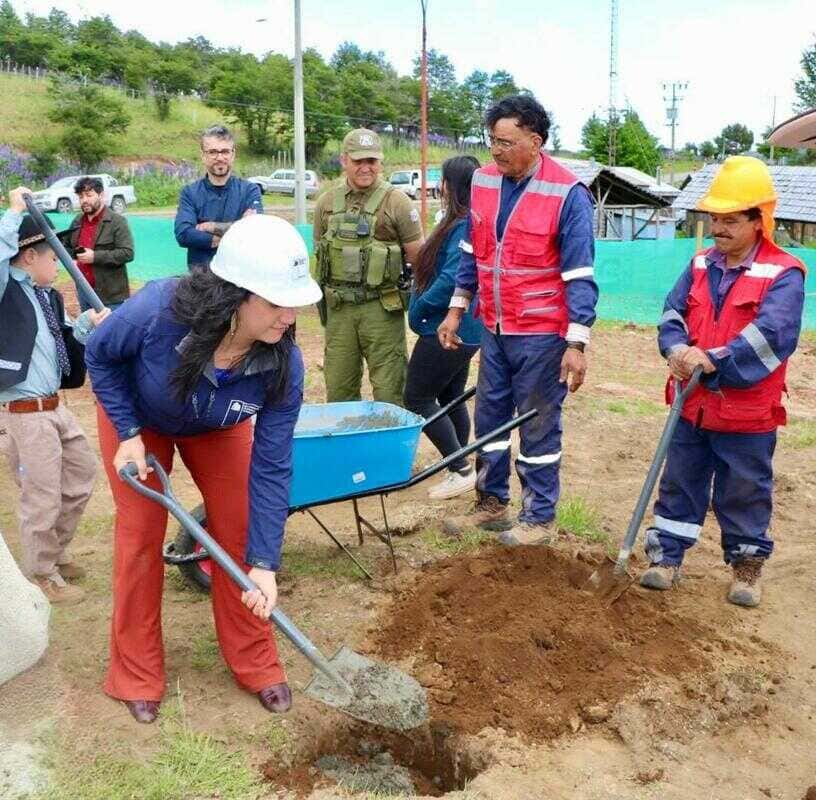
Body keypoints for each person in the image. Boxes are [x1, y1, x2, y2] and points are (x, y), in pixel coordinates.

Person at [84, 214, 322, 724]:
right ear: (238, 294)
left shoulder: (283, 364)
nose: (291, 314)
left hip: (217, 424)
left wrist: (264, 562)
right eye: (279, 301)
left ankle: (256, 662)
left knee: (238, 533)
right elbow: (100, 356)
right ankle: (135, 673)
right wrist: (126, 433)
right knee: (140, 538)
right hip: (139, 419)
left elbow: (273, 466)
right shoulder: (159, 309)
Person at [639, 156, 806, 608]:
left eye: (730, 219)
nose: (719, 228)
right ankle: (666, 558)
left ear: (759, 220)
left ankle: (747, 566)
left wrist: (713, 358)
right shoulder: (698, 265)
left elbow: (772, 336)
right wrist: (676, 351)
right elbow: (671, 314)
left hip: (747, 411)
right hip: (691, 403)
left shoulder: (784, 273)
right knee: (680, 482)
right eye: (714, 218)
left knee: (744, 488)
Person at [438, 95, 598, 545]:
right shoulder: (483, 182)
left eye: (507, 142)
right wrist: (456, 308)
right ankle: (491, 504)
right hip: (495, 328)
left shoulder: (568, 194)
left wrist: (576, 343)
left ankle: (539, 517)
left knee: (537, 423)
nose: (496, 151)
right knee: (489, 419)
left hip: (543, 334)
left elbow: (580, 274)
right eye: (492, 141)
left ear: (535, 140)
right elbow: (473, 252)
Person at [0, 187, 110, 605]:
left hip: (55, 407)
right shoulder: (6, 290)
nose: (59, 265)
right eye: (52, 256)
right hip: (25, 412)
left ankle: (54, 553)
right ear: (28, 256)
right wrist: (12, 214)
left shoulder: (46, 297)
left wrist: (85, 325)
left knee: (80, 478)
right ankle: (40, 574)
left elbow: (60, 341)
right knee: (41, 495)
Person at [313, 128, 424, 406]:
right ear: (344, 160)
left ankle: (388, 450)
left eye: (372, 161)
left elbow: (418, 257)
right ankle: (347, 449)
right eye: (358, 160)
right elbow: (320, 251)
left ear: (380, 162)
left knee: (390, 392)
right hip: (339, 311)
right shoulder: (326, 203)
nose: (366, 167)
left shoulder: (397, 201)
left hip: (381, 310)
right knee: (339, 391)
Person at [404, 155, 484, 500]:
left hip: (448, 325)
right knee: (450, 397)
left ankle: (460, 467)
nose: (440, 187)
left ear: (452, 187)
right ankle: (461, 466)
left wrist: (420, 306)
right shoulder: (470, 221)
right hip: (471, 328)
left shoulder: (464, 225)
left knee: (417, 396)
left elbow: (453, 277)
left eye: (443, 181)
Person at [174, 124, 264, 269]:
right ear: (203, 155)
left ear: (233, 154)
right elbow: (184, 235)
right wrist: (237, 232)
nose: (220, 157)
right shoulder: (189, 193)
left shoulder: (250, 190)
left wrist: (210, 226)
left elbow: (254, 230)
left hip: (239, 278)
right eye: (213, 152)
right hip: (202, 280)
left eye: (225, 151)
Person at [61, 175, 134, 311]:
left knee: (111, 331)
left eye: (89, 195)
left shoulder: (117, 222)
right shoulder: (77, 221)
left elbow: (127, 253)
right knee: (89, 331)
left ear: (101, 195)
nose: (84, 200)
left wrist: (95, 256)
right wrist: (72, 258)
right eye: (81, 197)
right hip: (84, 290)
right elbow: (65, 246)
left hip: (111, 296)